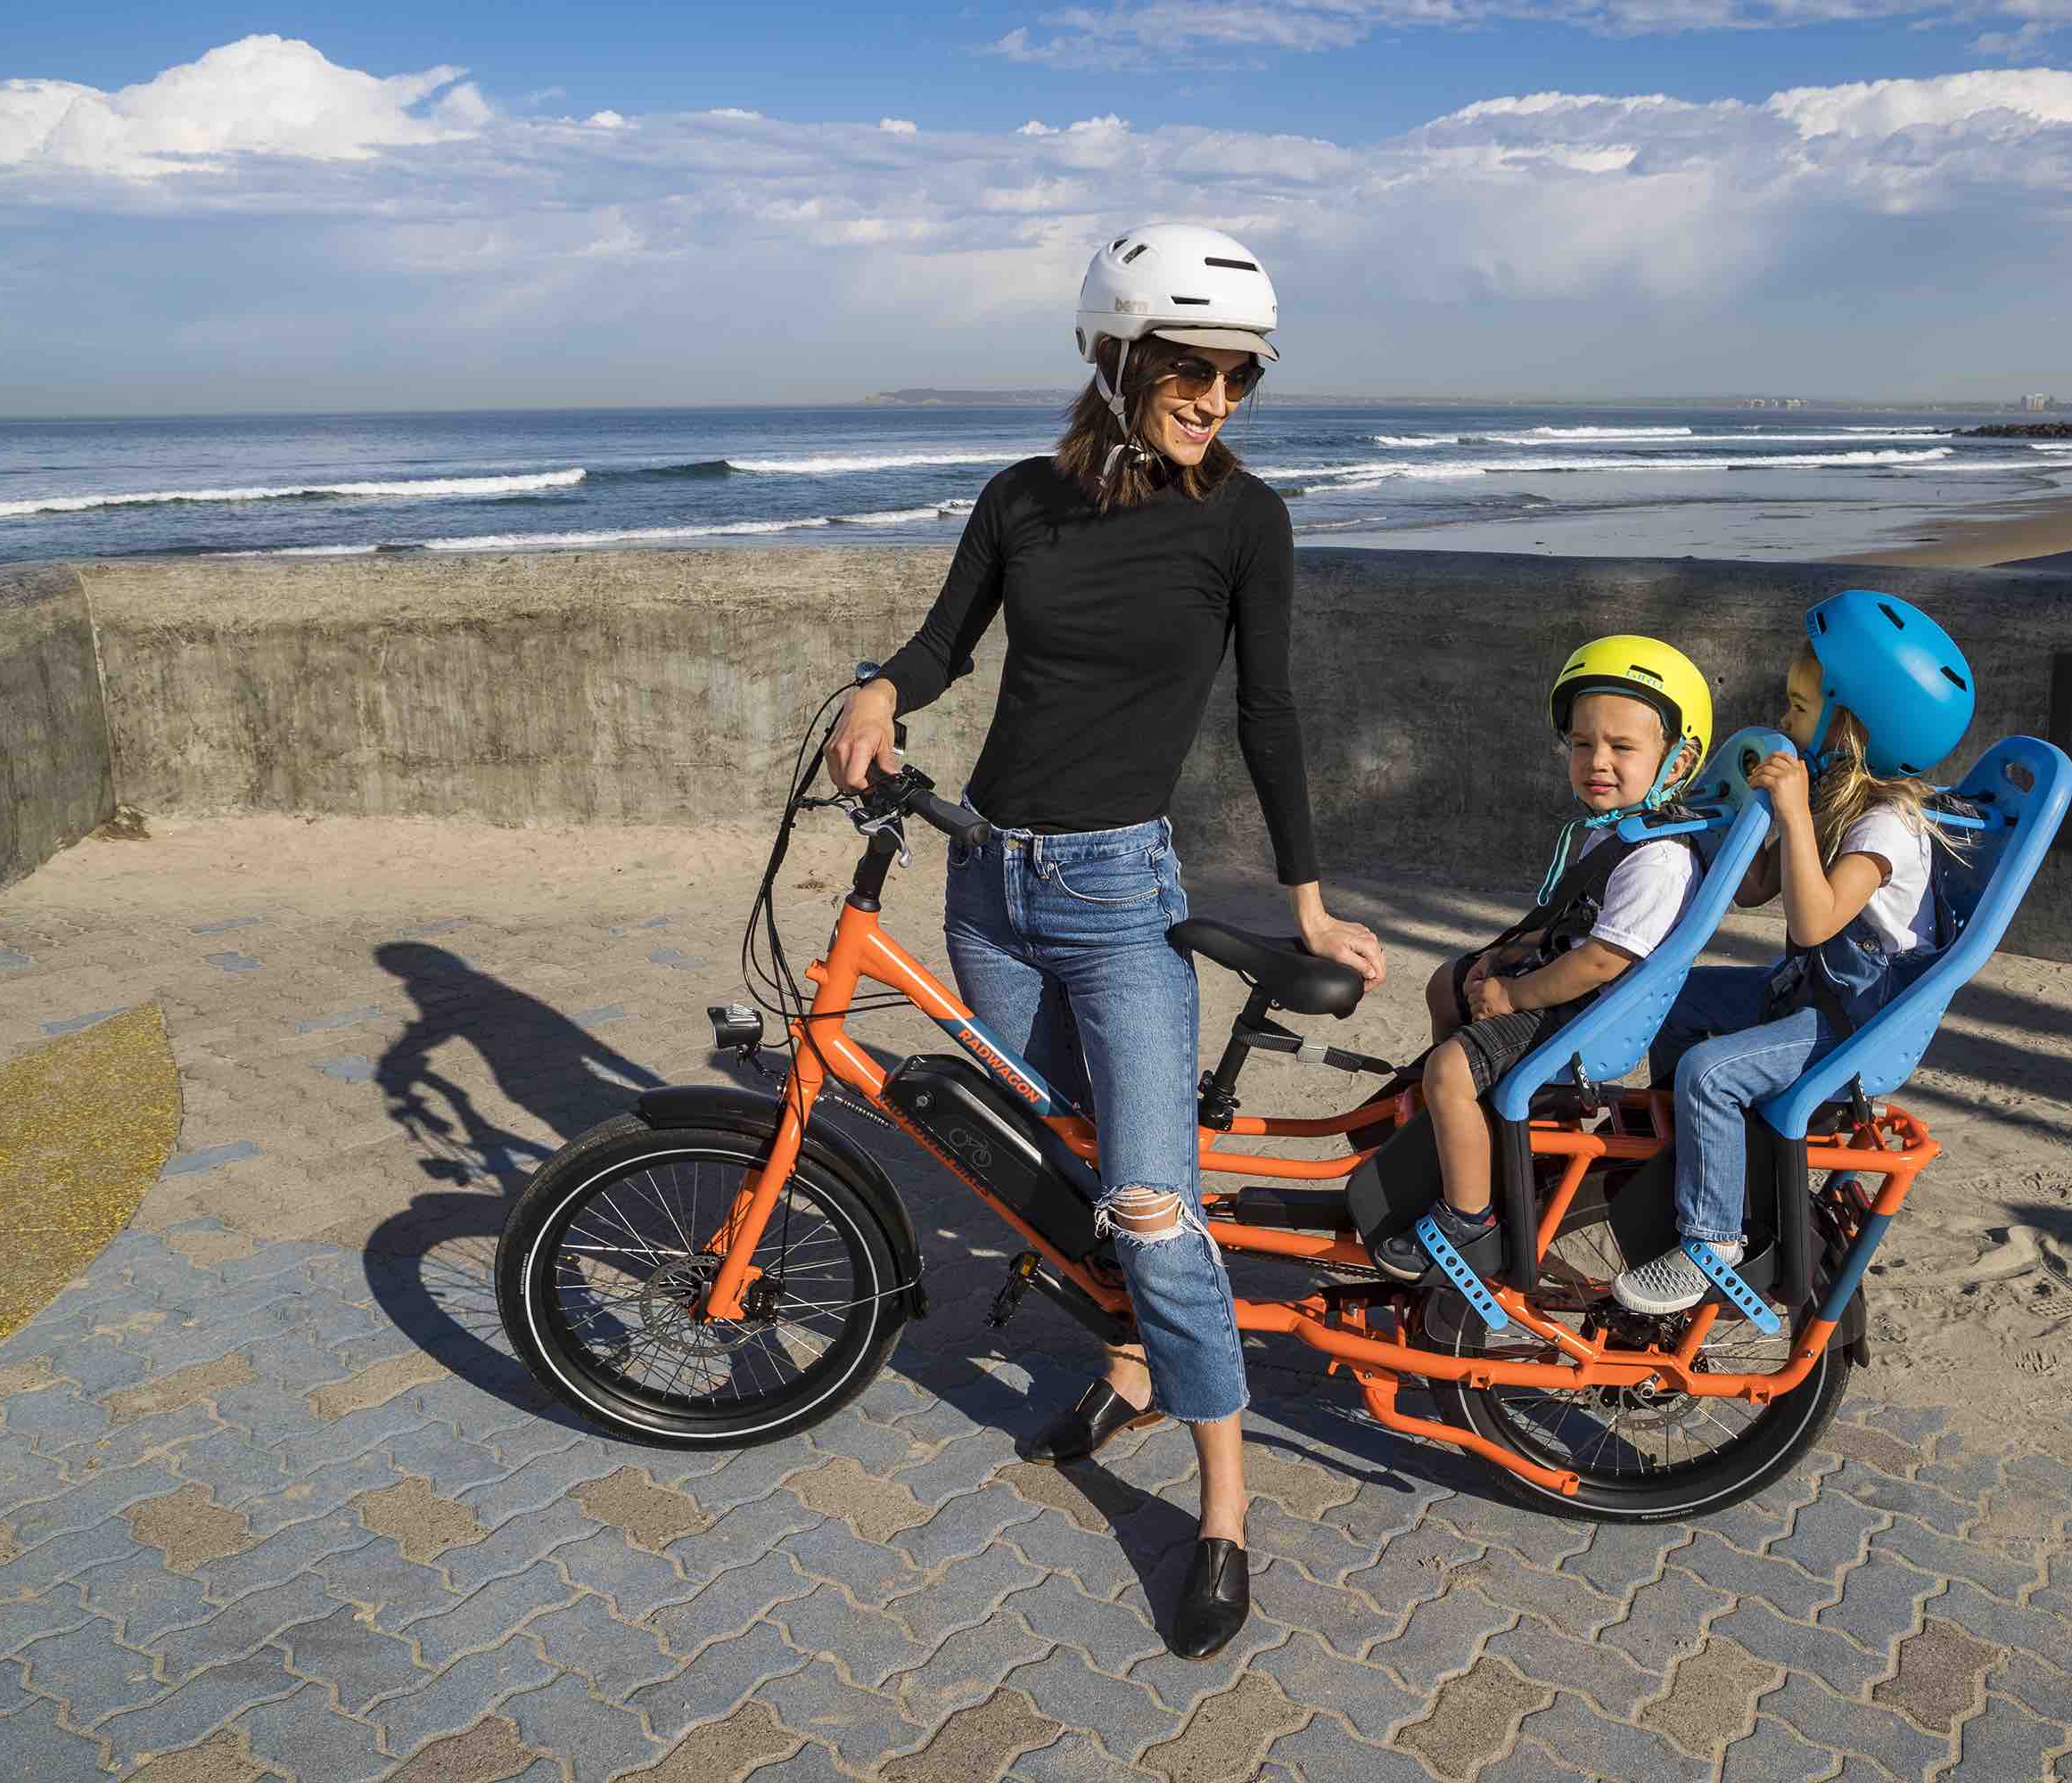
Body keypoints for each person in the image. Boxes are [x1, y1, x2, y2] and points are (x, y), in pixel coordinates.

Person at [826, 223, 1382, 1662]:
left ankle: (1223, 1509)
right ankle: (1130, 1362)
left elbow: (1268, 714)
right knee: (1051, 1155)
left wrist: (1310, 896)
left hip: (1120, 897)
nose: (1214, 400)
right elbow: (950, 644)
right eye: (1190, 370)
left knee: (1149, 1201)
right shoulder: (1022, 500)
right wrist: (885, 691)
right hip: (990, 887)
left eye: (1238, 378)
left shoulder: (1245, 522)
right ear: (1119, 359)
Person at [1612, 589, 1974, 1315]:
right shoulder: (1835, 796)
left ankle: (1711, 1240)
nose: (1785, 720)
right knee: (1672, 1000)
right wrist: (1710, 812)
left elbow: (1812, 922)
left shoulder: (1887, 828)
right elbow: (1751, 889)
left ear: (1851, 727)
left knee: (1711, 1073)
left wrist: (1795, 815)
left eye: (1802, 707)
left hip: (1860, 1026)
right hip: (1810, 991)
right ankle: (1684, 1155)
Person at [1370, 637, 1712, 1284]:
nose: (1597, 762)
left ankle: (1468, 1219)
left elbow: (1602, 962)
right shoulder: (1619, 831)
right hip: (1568, 998)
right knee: (1449, 981)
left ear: (1677, 761)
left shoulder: (1660, 859)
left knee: (1447, 1068)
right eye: (1583, 745)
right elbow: (1570, 922)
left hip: (1587, 1020)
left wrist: (1512, 995)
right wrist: (1507, 953)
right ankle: (1468, 1124)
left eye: (1621, 747)